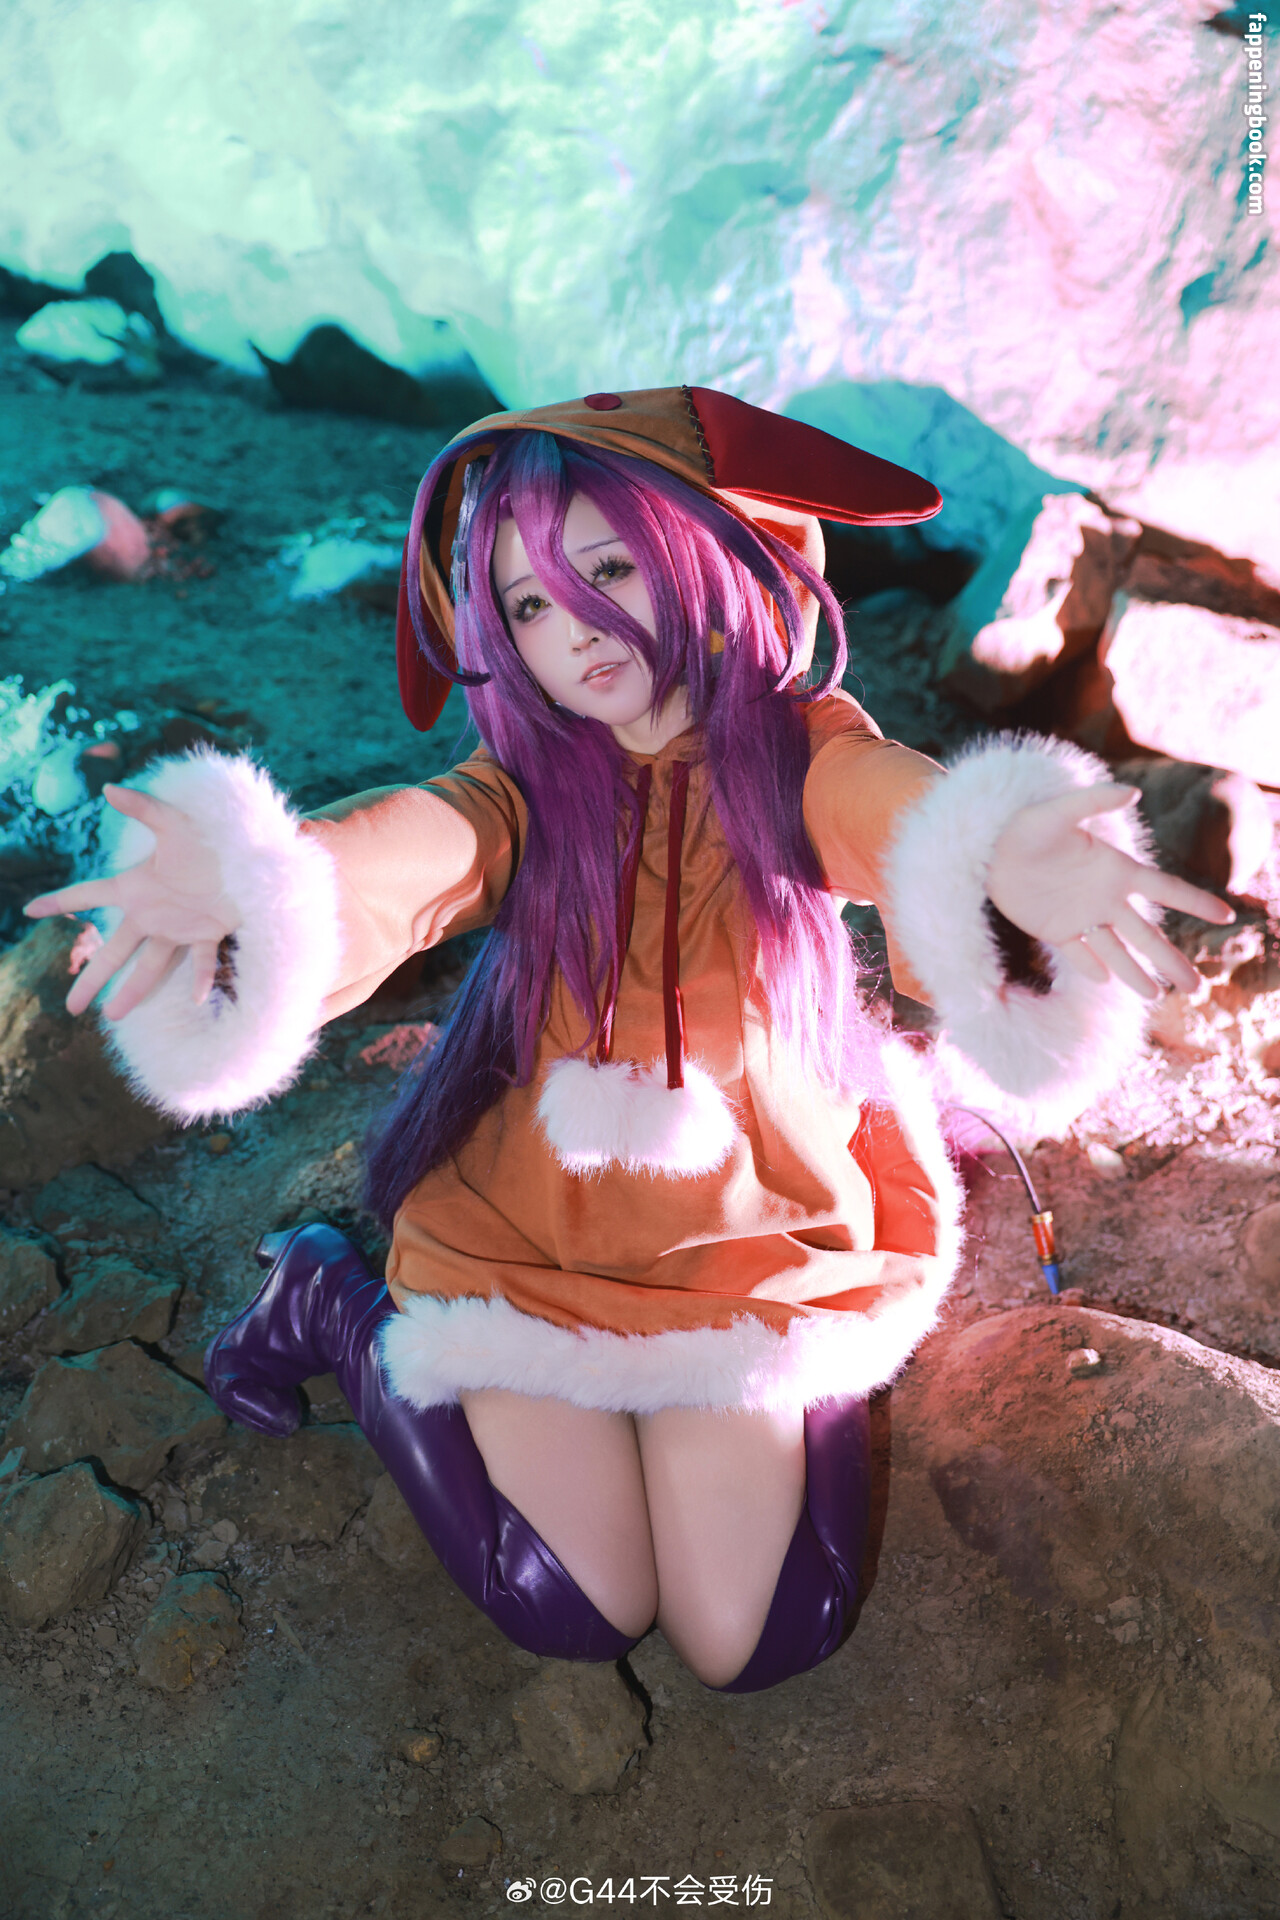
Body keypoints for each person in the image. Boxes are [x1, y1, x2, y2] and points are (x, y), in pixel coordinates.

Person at [26, 387, 1231, 1693]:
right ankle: (331, 1296)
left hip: (750, 1234)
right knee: (570, 1605)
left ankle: (737, 1392)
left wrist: (1001, 855)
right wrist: (255, 889)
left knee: (760, 1637)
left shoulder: (797, 754)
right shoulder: (524, 789)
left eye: (607, 571)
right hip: (535, 1233)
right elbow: (413, 850)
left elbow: (891, 812)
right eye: (527, 605)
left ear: (706, 551)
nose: (575, 632)